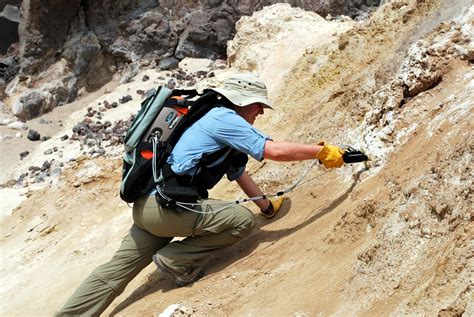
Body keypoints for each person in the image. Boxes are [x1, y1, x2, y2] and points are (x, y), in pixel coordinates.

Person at [56, 73, 344, 316]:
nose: (261, 111)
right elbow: (274, 151)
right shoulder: (225, 119)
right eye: (258, 104)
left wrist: (268, 207)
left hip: (148, 207)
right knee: (242, 221)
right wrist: (320, 151)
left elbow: (239, 173)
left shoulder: (209, 120)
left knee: (114, 273)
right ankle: (177, 259)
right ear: (242, 100)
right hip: (168, 209)